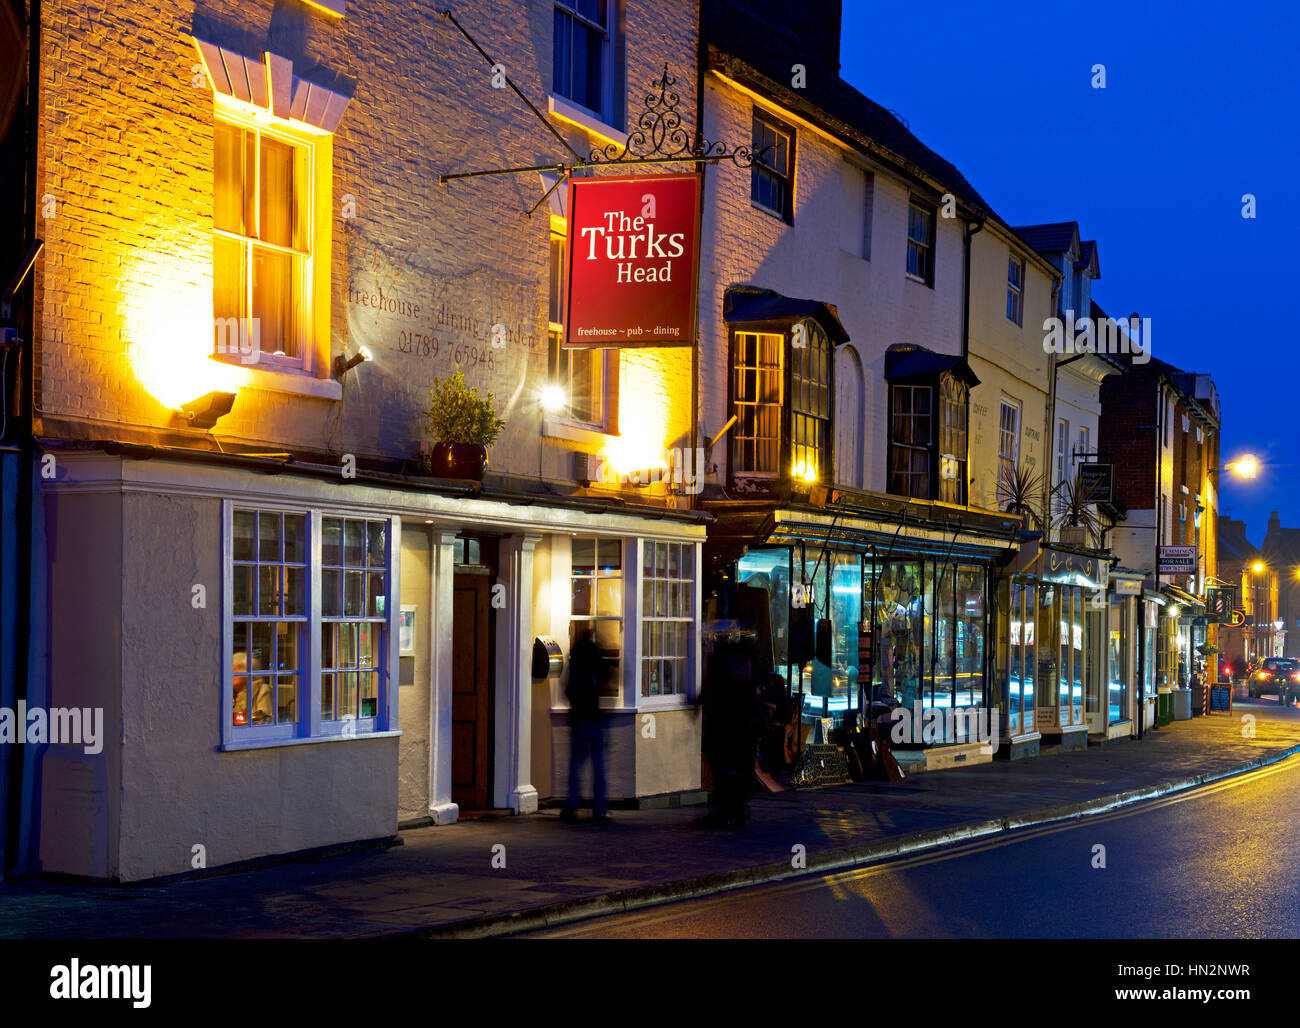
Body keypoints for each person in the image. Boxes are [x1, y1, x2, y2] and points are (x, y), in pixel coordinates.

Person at [700, 636, 760, 827]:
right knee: (733, 770)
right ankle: (734, 810)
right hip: (739, 728)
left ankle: (726, 811)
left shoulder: (724, 668)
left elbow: (712, 694)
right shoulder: (745, 668)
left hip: (725, 727)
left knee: (724, 770)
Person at [562, 627, 611, 822]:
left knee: (575, 764)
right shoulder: (595, 656)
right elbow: (607, 676)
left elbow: (568, 689)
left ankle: (572, 805)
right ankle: (600, 808)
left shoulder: (575, 658)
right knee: (598, 765)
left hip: (578, 717)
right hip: (593, 715)